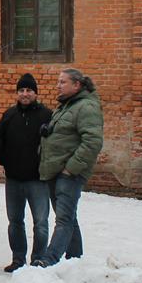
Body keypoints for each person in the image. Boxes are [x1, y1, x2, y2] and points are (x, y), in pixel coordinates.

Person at [35, 68, 104, 267]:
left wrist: (71, 168)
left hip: (69, 174)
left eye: (63, 82)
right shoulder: (67, 105)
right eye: (58, 81)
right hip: (56, 171)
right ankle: (75, 262)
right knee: (69, 219)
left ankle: (49, 260)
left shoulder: (86, 107)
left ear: (77, 85)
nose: (58, 85)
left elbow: (92, 141)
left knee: (64, 220)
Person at [0, 73, 53, 272]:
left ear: (35, 93)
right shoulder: (9, 115)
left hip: (38, 180)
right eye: (21, 90)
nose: (25, 94)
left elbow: (54, 144)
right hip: (13, 179)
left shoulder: (47, 115)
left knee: (41, 223)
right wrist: (4, 160)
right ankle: (18, 259)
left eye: (29, 90)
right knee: (15, 222)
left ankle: (38, 259)